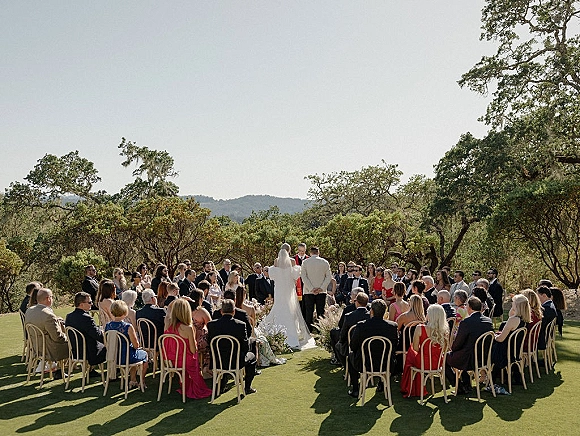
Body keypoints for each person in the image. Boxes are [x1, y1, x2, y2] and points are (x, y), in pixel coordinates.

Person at [262, 243, 315, 349]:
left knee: (279, 308)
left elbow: (272, 276)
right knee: (290, 310)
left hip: (279, 290)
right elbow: (295, 276)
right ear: (289, 251)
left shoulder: (276, 261)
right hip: (289, 289)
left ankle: (277, 333)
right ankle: (292, 334)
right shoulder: (292, 261)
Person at [162, 298, 212, 399]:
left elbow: (168, 311)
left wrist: (177, 300)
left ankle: (185, 385)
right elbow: (193, 350)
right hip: (184, 362)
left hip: (170, 360)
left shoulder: (167, 324)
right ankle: (196, 385)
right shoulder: (188, 328)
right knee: (195, 357)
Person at [347, 299, 398, 397]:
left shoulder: (361, 326)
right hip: (386, 364)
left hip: (364, 364)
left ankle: (356, 389)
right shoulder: (392, 326)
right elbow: (395, 345)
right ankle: (382, 383)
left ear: (372, 311)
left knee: (350, 355)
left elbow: (353, 346)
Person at [207, 299, 257, 395]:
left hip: (217, 361)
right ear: (234, 312)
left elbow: (210, 343)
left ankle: (221, 385)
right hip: (236, 361)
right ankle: (247, 387)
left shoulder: (211, 325)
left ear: (221, 311)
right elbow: (245, 347)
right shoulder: (240, 325)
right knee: (252, 356)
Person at [445, 296, 493, 395]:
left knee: (445, 358)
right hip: (484, 358)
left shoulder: (466, 322)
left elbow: (457, 344)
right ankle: (466, 385)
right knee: (459, 354)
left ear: (469, 307)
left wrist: (452, 349)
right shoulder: (488, 321)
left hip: (469, 359)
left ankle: (459, 386)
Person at [401, 304, 449, 398]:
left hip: (423, 362)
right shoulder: (445, 331)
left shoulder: (420, 328)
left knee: (410, 352)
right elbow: (445, 349)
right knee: (413, 354)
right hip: (438, 362)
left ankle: (409, 387)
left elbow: (415, 348)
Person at [25, 288, 69, 379]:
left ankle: (58, 370)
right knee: (73, 343)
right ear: (48, 298)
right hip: (49, 350)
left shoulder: (29, 310)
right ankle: (61, 369)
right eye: (52, 297)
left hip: (36, 347)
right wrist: (67, 337)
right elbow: (57, 337)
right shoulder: (48, 315)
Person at [105, 300, 148, 389]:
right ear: (125, 311)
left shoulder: (107, 326)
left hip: (113, 357)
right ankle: (142, 381)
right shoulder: (128, 327)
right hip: (126, 357)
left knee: (132, 351)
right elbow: (136, 345)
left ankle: (133, 380)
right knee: (144, 354)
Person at [65, 292, 106, 376]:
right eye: (89, 302)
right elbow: (97, 335)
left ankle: (91, 371)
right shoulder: (86, 318)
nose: (91, 304)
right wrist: (107, 339)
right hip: (89, 352)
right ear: (81, 304)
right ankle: (115, 372)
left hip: (75, 351)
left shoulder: (69, 316)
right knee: (112, 346)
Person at [491, 294, 530, 381]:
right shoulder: (524, 320)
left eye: (513, 303)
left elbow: (501, 339)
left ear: (517, 305)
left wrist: (493, 336)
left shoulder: (513, 320)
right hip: (515, 351)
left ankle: (486, 376)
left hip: (505, 352)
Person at [301, 246, 333, 332]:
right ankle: (320, 331)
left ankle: (308, 331)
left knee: (309, 312)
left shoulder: (305, 262)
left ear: (310, 253)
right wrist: (321, 288)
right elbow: (328, 277)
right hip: (321, 292)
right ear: (318, 252)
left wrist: (311, 288)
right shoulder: (325, 262)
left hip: (308, 291)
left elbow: (303, 277)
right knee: (320, 312)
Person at [335, 292, 370, 366]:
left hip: (352, 346)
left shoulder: (349, 316)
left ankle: (347, 367)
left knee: (338, 346)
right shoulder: (371, 316)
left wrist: (341, 341)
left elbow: (343, 335)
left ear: (357, 302)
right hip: (368, 346)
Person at [537, 286, 557, 350]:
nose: (537, 298)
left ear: (544, 295)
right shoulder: (550, 305)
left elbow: (540, 325)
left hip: (542, 337)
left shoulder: (546, 308)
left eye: (538, 296)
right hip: (546, 335)